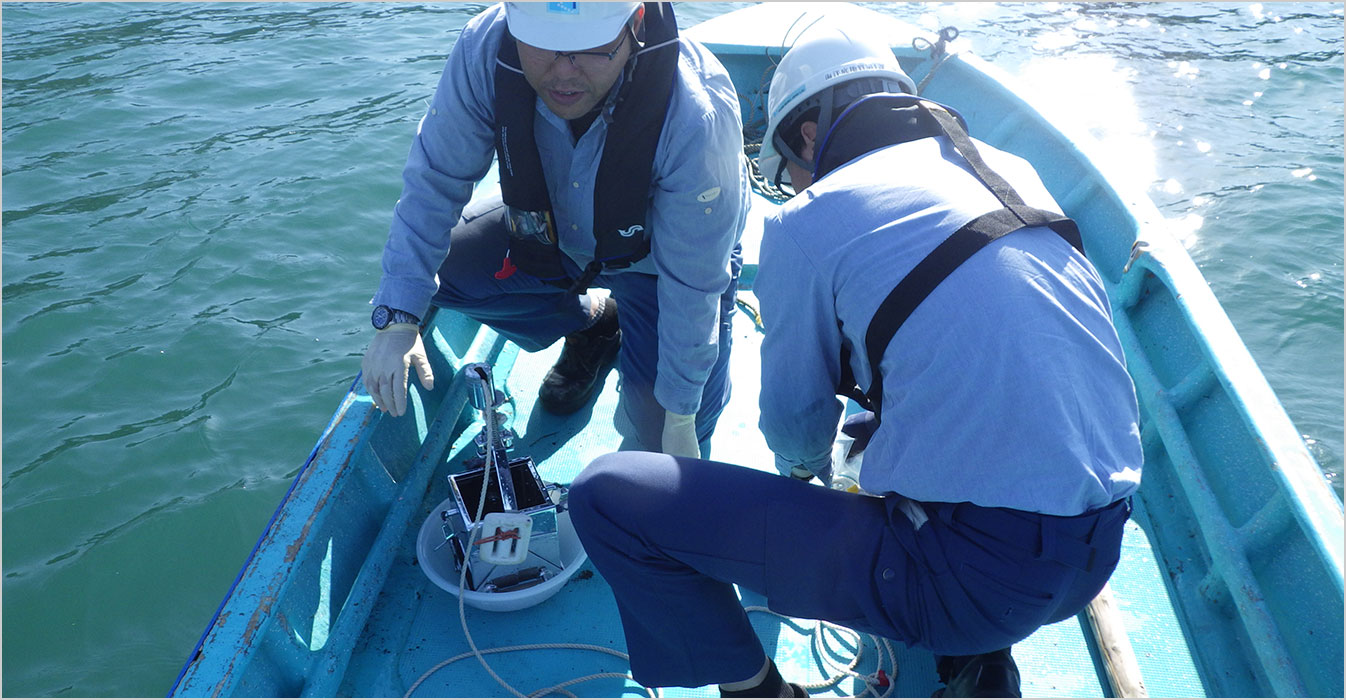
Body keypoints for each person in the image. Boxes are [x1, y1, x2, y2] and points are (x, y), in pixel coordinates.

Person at [567, 21, 1143, 698]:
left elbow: (794, 425)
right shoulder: (1009, 171)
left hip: (971, 580)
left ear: (809, 135)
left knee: (607, 496)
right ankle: (982, 660)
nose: (797, 183)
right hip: (1099, 549)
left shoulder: (808, 220)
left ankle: (759, 691)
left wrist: (806, 475)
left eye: (792, 165)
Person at [360, 2, 749, 459]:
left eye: (591, 48)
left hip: (661, 268)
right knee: (439, 277)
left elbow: (694, 280)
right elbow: (434, 180)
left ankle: (656, 377)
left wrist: (679, 414)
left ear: (635, 24)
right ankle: (595, 324)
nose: (564, 72)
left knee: (665, 437)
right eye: (542, 43)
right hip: (551, 236)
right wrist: (397, 319)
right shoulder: (484, 47)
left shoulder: (695, 114)